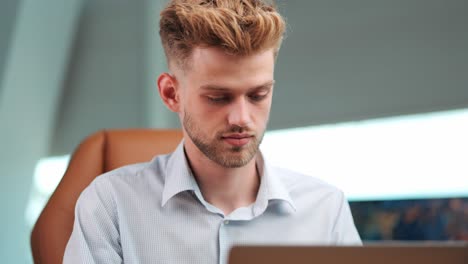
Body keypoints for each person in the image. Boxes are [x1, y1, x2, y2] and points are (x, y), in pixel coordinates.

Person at [63, 0, 361, 263]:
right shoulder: (111, 204)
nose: (241, 118)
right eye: (218, 97)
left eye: (258, 95)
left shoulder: (326, 209)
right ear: (171, 94)